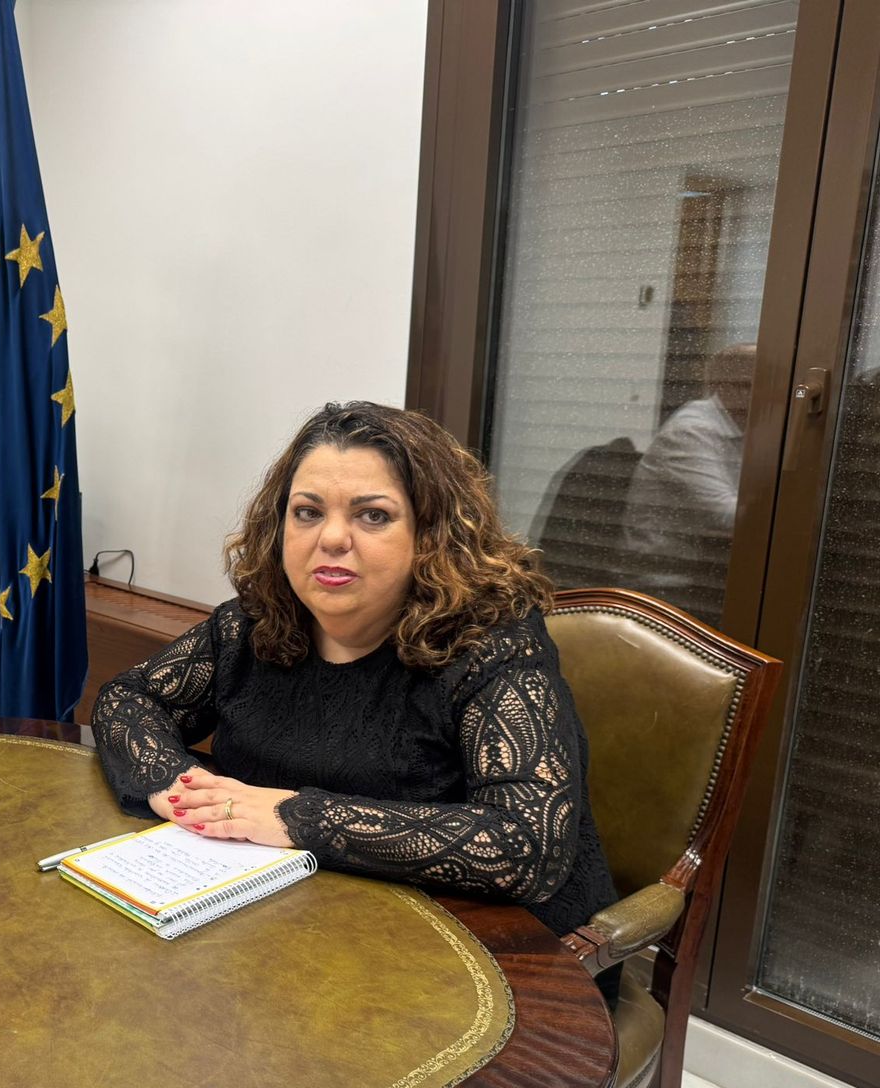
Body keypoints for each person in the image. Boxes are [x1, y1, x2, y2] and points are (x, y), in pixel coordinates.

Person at [90, 402, 622, 1004]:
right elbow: (128, 699)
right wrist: (174, 784)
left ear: (431, 533)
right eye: (308, 512)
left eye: (373, 516)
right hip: (299, 929)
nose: (332, 538)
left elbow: (523, 846)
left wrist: (293, 816)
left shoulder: (492, 647)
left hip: (489, 964)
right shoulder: (255, 624)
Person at [622, 342, 755, 620]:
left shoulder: (752, 426)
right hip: (668, 582)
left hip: (708, 571)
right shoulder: (692, 431)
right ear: (722, 386)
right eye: (749, 385)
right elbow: (728, 516)